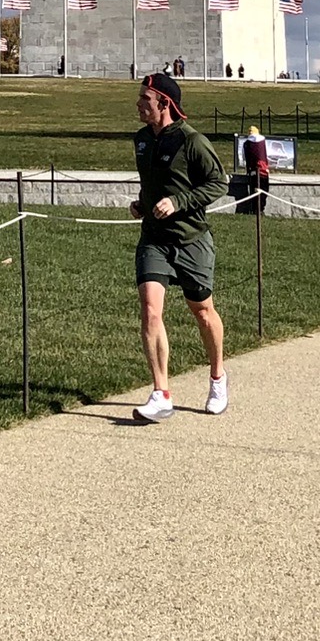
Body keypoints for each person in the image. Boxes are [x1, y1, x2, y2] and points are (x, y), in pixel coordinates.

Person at [128, 71, 228, 422]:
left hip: (191, 240)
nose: (138, 105)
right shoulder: (141, 139)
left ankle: (217, 377)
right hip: (154, 239)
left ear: (164, 104)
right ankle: (161, 393)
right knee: (151, 310)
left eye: (145, 100)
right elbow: (153, 182)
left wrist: (179, 201)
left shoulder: (192, 141)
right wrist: (143, 203)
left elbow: (219, 184)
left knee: (202, 312)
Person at [239, 124, 270, 216]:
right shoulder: (263, 141)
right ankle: (261, 210)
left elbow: (244, 157)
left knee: (253, 191)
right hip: (263, 171)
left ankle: (254, 209)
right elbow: (268, 154)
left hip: (252, 171)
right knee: (264, 191)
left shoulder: (246, 143)